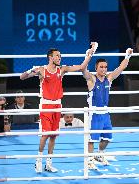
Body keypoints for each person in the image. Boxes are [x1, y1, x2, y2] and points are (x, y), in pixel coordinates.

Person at [20, 42, 97, 173]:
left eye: (60, 55)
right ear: (50, 57)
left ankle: (48, 163)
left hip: (57, 105)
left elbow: (82, 67)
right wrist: (31, 70)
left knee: (54, 136)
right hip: (45, 105)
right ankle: (38, 161)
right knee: (45, 135)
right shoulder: (41, 70)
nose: (59, 57)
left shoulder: (62, 69)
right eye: (57, 55)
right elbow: (22, 77)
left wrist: (90, 53)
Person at [82, 47, 133, 169]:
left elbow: (121, 68)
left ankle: (99, 155)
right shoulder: (92, 79)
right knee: (92, 138)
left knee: (107, 138)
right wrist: (88, 55)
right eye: (101, 67)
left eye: (105, 67)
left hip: (105, 112)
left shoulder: (109, 78)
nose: (104, 69)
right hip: (94, 112)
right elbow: (83, 69)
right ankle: (89, 160)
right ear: (96, 68)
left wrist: (127, 56)